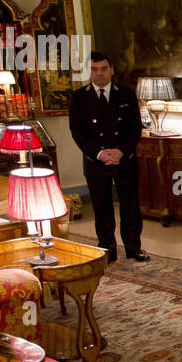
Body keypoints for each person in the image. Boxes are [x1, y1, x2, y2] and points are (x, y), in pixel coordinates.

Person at [68, 51, 148, 262]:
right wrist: (100, 153)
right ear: (88, 71)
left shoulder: (127, 95)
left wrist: (121, 151)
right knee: (102, 209)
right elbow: (78, 133)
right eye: (94, 69)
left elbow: (135, 128)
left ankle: (134, 248)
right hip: (96, 162)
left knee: (130, 208)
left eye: (103, 69)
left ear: (112, 70)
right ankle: (107, 249)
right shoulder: (78, 98)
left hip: (125, 160)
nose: (99, 74)